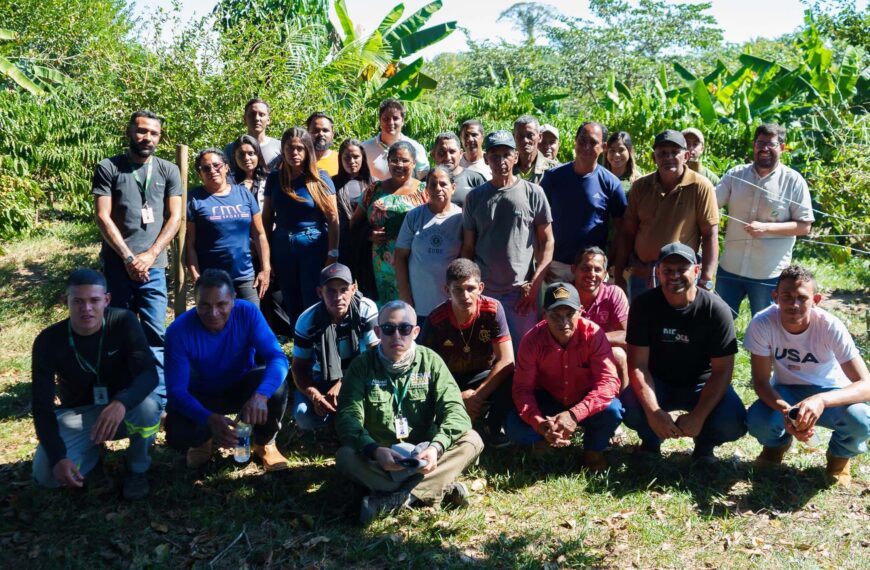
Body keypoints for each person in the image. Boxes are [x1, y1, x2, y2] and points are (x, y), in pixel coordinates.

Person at [335, 301, 484, 523]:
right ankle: (436, 488)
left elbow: (456, 411)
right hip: (381, 458)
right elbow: (348, 418)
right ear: (377, 332)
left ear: (415, 332)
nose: (397, 335)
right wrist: (374, 450)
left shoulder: (431, 361)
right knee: (345, 457)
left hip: (424, 456)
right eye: (388, 328)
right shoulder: (362, 366)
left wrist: (436, 447)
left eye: (404, 329)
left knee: (472, 440)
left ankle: (396, 498)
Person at [31, 269, 160, 500]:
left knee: (148, 408)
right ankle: (94, 459)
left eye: (94, 300)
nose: (87, 308)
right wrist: (59, 457)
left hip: (125, 409)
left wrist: (121, 402)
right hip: (79, 415)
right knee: (46, 475)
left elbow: (149, 375)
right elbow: (41, 406)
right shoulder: (48, 341)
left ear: (107, 300)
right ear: (65, 301)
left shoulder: (123, 321)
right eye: (78, 301)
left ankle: (137, 468)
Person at [745, 265, 870, 486]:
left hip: (831, 394)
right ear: (775, 297)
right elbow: (761, 382)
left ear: (816, 300)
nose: (794, 304)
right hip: (787, 391)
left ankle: (839, 459)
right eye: (787, 296)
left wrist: (821, 400)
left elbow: (866, 385)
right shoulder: (762, 323)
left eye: (802, 298)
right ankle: (775, 447)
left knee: (861, 419)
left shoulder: (830, 326)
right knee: (758, 419)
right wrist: (786, 411)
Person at [621, 243, 746, 463]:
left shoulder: (716, 310)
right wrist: (653, 412)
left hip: (701, 384)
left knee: (733, 421)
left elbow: (723, 371)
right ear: (657, 272)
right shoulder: (643, 305)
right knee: (629, 407)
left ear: (697, 271)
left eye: (682, 269)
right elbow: (638, 366)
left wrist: (698, 416)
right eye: (667, 270)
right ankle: (651, 441)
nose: (674, 276)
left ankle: (704, 447)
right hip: (657, 381)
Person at [92, 110, 182, 409]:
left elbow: (175, 216)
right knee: (116, 332)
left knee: (156, 333)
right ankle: (120, 397)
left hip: (154, 269)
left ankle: (161, 401)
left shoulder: (169, 170)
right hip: (118, 267)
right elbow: (103, 216)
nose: (147, 138)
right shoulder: (109, 167)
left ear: (160, 138)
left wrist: (151, 254)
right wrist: (130, 258)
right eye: (142, 131)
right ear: (130, 131)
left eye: (154, 133)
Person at [164, 269, 291, 471]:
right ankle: (202, 441)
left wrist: (261, 395)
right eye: (204, 305)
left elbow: (277, 357)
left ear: (233, 299)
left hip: (240, 386)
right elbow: (176, 391)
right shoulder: (178, 331)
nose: (213, 313)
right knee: (177, 430)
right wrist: (208, 418)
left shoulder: (247, 313)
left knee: (276, 388)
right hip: (202, 395)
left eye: (221, 304)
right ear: (194, 303)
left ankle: (265, 442)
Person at [507, 282, 623, 469]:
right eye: (555, 316)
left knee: (612, 411)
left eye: (570, 314)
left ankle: (593, 451)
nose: (564, 322)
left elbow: (608, 383)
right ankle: (544, 438)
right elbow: (522, 390)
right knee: (514, 426)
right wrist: (539, 423)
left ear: (581, 311)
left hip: (584, 399)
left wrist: (574, 415)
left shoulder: (594, 334)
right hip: (548, 398)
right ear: (544, 314)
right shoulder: (531, 340)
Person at [462, 130, 554, 352]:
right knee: (487, 354)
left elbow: (548, 242)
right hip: (485, 292)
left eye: (506, 154)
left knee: (526, 353)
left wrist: (535, 284)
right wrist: (469, 287)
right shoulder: (474, 198)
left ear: (515, 157)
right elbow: (468, 247)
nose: (501, 161)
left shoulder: (534, 193)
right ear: (486, 159)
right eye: (495, 155)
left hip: (521, 294)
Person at [715, 123, 814, 317]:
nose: (764, 149)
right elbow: (710, 202)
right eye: (760, 143)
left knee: (765, 327)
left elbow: (804, 226)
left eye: (771, 144)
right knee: (718, 322)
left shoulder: (793, 181)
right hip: (730, 268)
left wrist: (767, 228)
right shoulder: (736, 175)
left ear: (782, 148)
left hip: (767, 273)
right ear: (754, 145)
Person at [614, 130, 719, 301]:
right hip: (643, 274)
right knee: (643, 324)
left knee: (680, 325)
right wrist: (619, 275)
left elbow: (709, 234)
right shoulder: (641, 187)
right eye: (662, 153)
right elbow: (627, 233)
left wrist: (706, 279)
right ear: (654, 158)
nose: (668, 157)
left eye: (674, 152)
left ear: (685, 156)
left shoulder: (700, 186)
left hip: (680, 276)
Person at [420, 259, 515, 445]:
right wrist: (456, 396)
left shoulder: (493, 310)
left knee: (515, 375)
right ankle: (446, 423)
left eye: (470, 288)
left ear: (480, 287)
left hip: (483, 376)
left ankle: (492, 425)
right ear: (447, 290)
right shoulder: (436, 320)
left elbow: (507, 360)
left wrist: (476, 397)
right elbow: (426, 369)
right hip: (448, 379)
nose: (465, 296)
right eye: (457, 289)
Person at [263, 127, 339, 326]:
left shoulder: (320, 178)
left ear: (307, 151)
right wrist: (267, 255)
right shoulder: (274, 179)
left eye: (299, 149)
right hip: (282, 247)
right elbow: (267, 218)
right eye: (290, 148)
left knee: (313, 300)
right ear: (283, 150)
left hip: (313, 248)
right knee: (291, 300)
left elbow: (333, 220)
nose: (294, 153)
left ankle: (319, 349)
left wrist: (333, 254)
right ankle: (300, 350)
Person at [291, 263, 379, 430]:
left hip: (361, 374)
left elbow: (375, 356)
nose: (338, 297)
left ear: (353, 289)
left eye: (343, 289)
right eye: (330, 290)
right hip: (322, 377)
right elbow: (298, 367)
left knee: (375, 408)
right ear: (319, 292)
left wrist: (343, 383)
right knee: (304, 417)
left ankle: (344, 419)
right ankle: (342, 417)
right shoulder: (306, 321)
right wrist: (315, 396)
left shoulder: (366, 309)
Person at [540, 122, 626, 282]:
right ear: (575, 141)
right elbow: (537, 222)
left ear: (604, 146)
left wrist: (610, 263)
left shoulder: (611, 183)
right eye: (582, 141)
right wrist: (541, 261)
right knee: (557, 306)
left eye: (593, 142)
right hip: (557, 269)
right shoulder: (553, 177)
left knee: (591, 309)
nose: (586, 146)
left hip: (592, 270)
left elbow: (622, 231)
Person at [186, 148, 270, 307]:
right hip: (211, 278)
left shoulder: (244, 194)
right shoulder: (194, 198)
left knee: (250, 321)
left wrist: (265, 269)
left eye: (216, 165)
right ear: (200, 173)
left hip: (245, 276)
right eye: (205, 168)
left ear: (226, 167)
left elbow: (260, 235)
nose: (212, 170)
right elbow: (189, 243)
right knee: (216, 325)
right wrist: (195, 275)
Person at [350, 141, 428, 305]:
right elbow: (354, 223)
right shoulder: (374, 190)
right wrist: (368, 234)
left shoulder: (425, 191)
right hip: (379, 266)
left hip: (414, 262)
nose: (399, 164)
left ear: (414, 162)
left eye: (405, 160)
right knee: (384, 311)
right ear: (388, 162)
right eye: (394, 160)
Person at [395, 166, 464, 323]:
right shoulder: (414, 216)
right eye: (432, 184)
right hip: (419, 306)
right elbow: (400, 256)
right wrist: (405, 296)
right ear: (426, 189)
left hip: (451, 305)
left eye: (443, 184)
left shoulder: (461, 218)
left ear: (453, 188)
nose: (438, 188)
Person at [572, 247, 630, 390]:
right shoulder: (563, 292)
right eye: (585, 268)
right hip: (571, 357)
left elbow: (626, 336)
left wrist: (590, 340)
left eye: (597, 270)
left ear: (605, 273)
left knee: (619, 355)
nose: (591, 274)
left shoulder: (613, 293)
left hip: (602, 355)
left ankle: (622, 405)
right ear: (574, 269)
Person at [332, 138, 374, 275]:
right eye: (347, 157)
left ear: (363, 157)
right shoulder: (332, 184)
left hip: (367, 246)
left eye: (356, 157)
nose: (351, 161)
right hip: (342, 245)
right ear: (340, 159)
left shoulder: (374, 184)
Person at [361, 98, 429, 181]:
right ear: (380, 121)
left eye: (395, 118)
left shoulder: (415, 147)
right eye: (386, 119)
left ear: (403, 121)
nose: (391, 123)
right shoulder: (364, 148)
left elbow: (424, 180)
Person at [429, 131, 487, 206]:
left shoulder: (475, 180)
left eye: (452, 152)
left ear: (461, 153)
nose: (447, 157)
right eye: (441, 152)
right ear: (433, 154)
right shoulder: (426, 181)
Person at [224, 98, 281, 171]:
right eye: (252, 114)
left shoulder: (280, 147)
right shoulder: (230, 149)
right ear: (244, 119)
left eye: (261, 114)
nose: (257, 118)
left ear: (268, 120)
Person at [513, 115, 559, 184]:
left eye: (530, 135)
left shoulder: (554, 170)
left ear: (540, 137)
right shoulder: (505, 167)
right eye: (520, 136)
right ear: (514, 137)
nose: (525, 140)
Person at [230, 134, 269, 209]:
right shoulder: (228, 183)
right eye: (241, 154)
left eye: (251, 153)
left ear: (258, 155)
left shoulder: (269, 180)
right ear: (234, 156)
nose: (246, 158)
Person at [307, 111, 339, 177]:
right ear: (307, 134)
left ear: (333, 134)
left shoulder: (342, 160)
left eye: (325, 130)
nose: (321, 134)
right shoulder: (299, 160)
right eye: (316, 130)